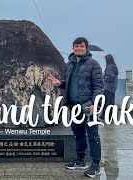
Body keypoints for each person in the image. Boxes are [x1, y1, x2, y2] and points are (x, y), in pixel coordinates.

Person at [49, 37, 103, 178]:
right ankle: (80, 161)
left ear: (86, 48)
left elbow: (98, 86)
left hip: (88, 106)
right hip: (73, 106)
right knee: (78, 134)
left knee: (93, 135)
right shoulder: (70, 64)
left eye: (81, 46)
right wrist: (59, 83)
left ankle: (96, 165)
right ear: (73, 48)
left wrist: (94, 104)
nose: (78, 49)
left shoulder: (93, 64)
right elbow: (69, 82)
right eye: (76, 46)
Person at [99, 54, 118, 120]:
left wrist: (104, 76)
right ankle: (110, 116)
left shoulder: (109, 67)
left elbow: (111, 77)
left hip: (108, 88)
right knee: (111, 103)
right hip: (113, 88)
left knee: (106, 103)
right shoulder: (114, 66)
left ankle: (104, 116)